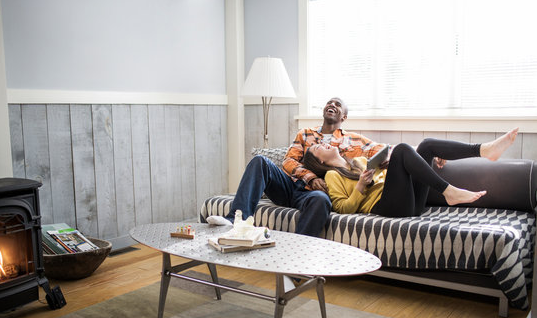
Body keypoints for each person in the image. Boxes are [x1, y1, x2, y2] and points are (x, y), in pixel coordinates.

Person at [207, 97, 388, 237]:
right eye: (329, 102)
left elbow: (380, 149)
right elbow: (288, 161)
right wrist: (311, 177)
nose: (331, 105)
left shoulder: (353, 139)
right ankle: (234, 220)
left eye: (337, 104)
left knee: (322, 200)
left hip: (314, 194)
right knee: (260, 161)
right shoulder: (305, 133)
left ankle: (297, 255)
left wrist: (391, 156)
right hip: (290, 185)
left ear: (344, 117)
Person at [302, 128, 519, 217]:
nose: (324, 144)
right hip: (387, 207)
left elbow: (392, 173)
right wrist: (360, 186)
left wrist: (426, 158)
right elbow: (341, 208)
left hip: (410, 202)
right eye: (318, 147)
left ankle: (484, 150)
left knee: (427, 145)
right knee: (403, 149)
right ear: (319, 161)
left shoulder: (358, 161)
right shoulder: (332, 176)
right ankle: (449, 191)